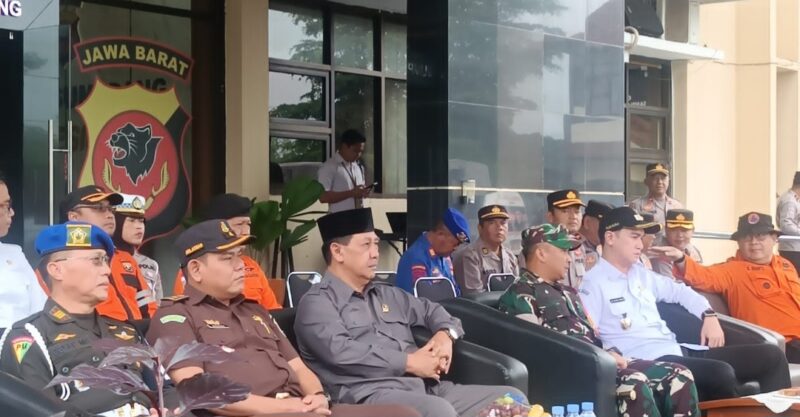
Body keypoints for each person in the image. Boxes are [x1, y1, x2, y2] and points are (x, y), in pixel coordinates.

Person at [147, 219, 418, 417]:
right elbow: (198, 390)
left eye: (240, 256)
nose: (241, 265)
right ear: (196, 270)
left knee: (404, 414)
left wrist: (317, 397)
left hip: (302, 408)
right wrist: (285, 407)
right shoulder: (176, 316)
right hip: (259, 413)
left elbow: (299, 368)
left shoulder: (256, 311)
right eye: (228, 258)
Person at [294, 208, 527, 417]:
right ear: (337, 252)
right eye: (366, 245)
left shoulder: (389, 294)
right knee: (439, 411)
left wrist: (446, 335)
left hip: (426, 388)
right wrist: (409, 362)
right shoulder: (317, 303)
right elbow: (341, 352)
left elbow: (435, 311)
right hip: (368, 396)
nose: (375, 253)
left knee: (512, 399)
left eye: (376, 244)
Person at [580, 207, 791, 400]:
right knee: (721, 373)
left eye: (641, 237)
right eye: (634, 237)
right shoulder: (593, 284)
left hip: (678, 350)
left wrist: (708, 315)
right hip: (647, 361)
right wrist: (611, 355)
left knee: (771, 356)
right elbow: (586, 337)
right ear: (610, 238)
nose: (640, 244)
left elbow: (682, 292)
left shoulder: (642, 275)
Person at [499, 223, 699, 417]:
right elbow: (534, 350)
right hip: (570, 369)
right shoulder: (521, 294)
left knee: (678, 374)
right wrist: (599, 357)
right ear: (541, 254)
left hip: (600, 361)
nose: (569, 258)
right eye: (563, 251)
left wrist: (610, 353)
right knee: (634, 381)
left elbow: (591, 333)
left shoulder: (568, 292)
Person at [0, 222, 152, 415]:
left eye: (106, 261)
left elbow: (165, 388)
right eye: (96, 260)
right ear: (57, 270)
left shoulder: (127, 331)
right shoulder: (29, 337)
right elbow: (37, 411)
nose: (107, 270)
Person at [653, 212, 800, 363]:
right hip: (778, 344)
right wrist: (680, 258)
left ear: (774, 239)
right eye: (747, 237)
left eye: (761, 236)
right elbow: (702, 276)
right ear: (738, 242)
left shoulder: (786, 264)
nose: (754, 242)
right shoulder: (731, 270)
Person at [54, 186, 156, 322]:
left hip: (136, 333)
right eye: (99, 208)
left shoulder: (125, 259)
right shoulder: (59, 261)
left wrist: (152, 331)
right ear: (74, 217)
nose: (109, 215)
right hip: (90, 334)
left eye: (110, 209)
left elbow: (148, 307)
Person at [172, 193, 281, 310]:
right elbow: (186, 311)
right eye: (239, 224)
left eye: (248, 224)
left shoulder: (252, 265)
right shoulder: (195, 270)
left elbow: (273, 311)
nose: (246, 231)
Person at [0, 172, 47, 328]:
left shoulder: (14, 254)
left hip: (24, 338)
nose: (11, 212)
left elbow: (40, 310)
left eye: (8, 205)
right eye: (3, 206)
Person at [397, 208, 470, 295]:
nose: (456, 249)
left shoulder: (444, 257)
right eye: (455, 244)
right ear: (440, 234)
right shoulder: (416, 258)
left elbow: (455, 292)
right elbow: (416, 299)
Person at [452, 205, 518, 294]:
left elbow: (517, 290)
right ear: (480, 228)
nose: (499, 227)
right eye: (492, 223)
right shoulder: (469, 256)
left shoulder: (510, 256)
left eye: (503, 223)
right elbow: (474, 296)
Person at [112, 193, 163, 303]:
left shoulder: (151, 265)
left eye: (141, 221)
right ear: (117, 222)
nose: (139, 226)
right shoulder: (104, 259)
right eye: (131, 220)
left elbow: (159, 306)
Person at [317, 129, 370, 213]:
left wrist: (363, 192)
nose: (358, 155)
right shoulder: (329, 166)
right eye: (355, 151)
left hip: (359, 217)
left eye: (361, 152)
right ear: (344, 146)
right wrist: (351, 193)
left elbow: (357, 192)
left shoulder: (358, 166)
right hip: (339, 219)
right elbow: (323, 197)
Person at [545, 189, 587, 288]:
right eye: (565, 211)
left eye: (577, 211)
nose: (573, 216)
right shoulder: (541, 247)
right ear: (550, 216)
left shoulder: (579, 247)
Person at [628, 163, 683, 234]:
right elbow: (632, 231)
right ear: (646, 181)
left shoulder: (677, 206)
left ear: (668, 181)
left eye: (663, 178)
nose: (659, 182)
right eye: (655, 178)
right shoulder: (636, 205)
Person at [650, 209, 703, 280]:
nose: (680, 235)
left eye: (684, 230)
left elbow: (701, 277)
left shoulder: (693, 250)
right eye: (674, 230)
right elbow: (668, 285)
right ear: (666, 230)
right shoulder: (660, 253)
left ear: (692, 231)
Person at [579, 200, 613, 272]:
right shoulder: (575, 247)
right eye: (604, 225)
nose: (608, 231)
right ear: (587, 222)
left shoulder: (597, 247)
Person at [777, 171, 800, 269]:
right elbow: (786, 225)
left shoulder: (793, 198)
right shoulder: (790, 201)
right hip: (791, 249)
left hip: (794, 247)